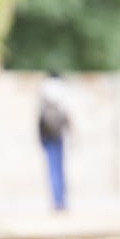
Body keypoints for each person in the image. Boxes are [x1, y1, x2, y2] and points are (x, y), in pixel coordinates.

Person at [38, 71, 72, 212]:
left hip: (47, 134)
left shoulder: (43, 90)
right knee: (59, 167)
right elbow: (66, 113)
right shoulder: (61, 90)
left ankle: (56, 200)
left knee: (52, 168)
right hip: (58, 134)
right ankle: (61, 200)